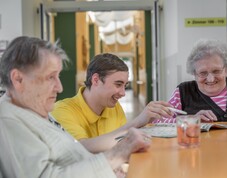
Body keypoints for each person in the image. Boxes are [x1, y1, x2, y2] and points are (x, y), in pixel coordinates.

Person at [0, 36, 153, 178]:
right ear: (18, 79)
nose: (59, 88)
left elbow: (72, 152)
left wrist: (111, 166)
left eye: (58, 76)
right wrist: (116, 155)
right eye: (50, 77)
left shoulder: (33, 111)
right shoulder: (9, 120)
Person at [51, 53, 174, 153]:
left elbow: (123, 141)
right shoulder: (62, 110)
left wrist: (145, 123)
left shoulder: (113, 107)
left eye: (125, 86)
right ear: (96, 80)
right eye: (118, 84)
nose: (123, 93)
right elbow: (81, 149)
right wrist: (137, 122)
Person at [154, 39, 227, 123]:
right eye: (203, 73)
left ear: (226, 69)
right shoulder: (183, 91)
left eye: (216, 71)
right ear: (194, 74)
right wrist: (191, 120)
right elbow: (158, 121)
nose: (211, 79)